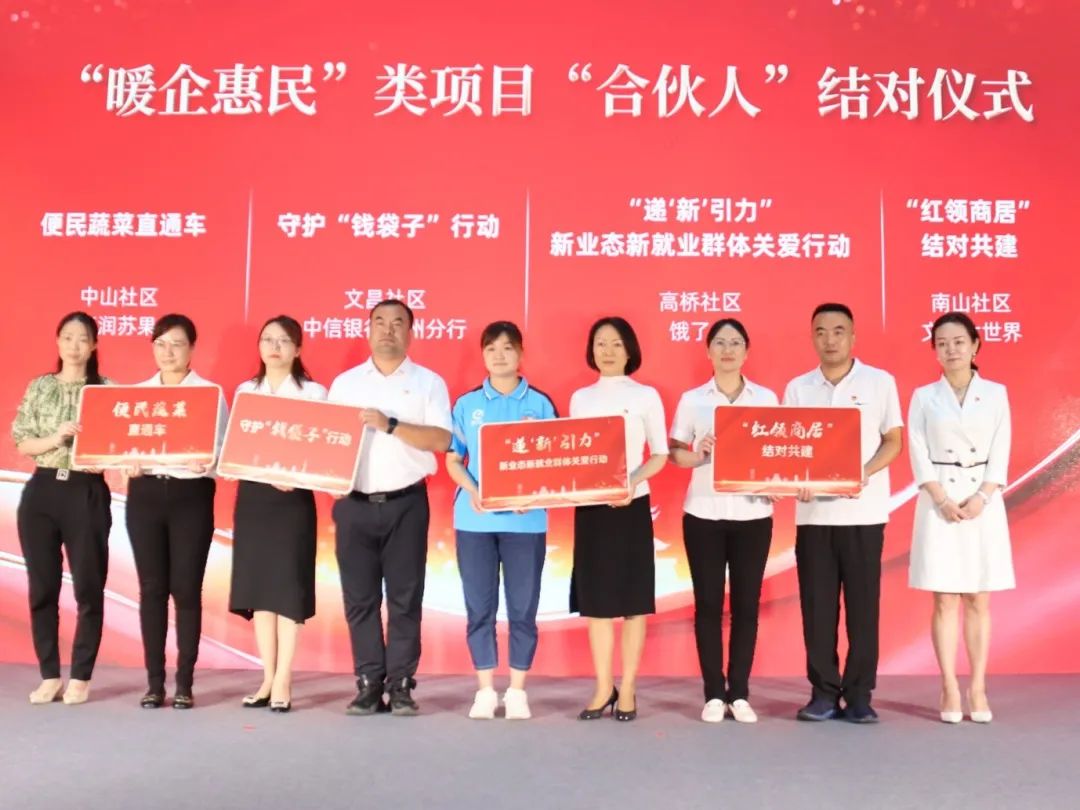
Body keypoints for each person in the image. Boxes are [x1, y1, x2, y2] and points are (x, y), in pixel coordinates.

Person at [328, 299, 452, 716]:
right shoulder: (345, 384)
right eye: (379, 322)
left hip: (406, 503)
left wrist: (391, 425)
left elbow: (441, 440)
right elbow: (327, 440)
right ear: (367, 330)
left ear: (410, 333)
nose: (387, 330)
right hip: (353, 503)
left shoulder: (428, 382)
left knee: (405, 599)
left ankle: (400, 684)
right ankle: (368, 683)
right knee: (359, 599)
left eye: (398, 323)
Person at [782, 303, 903, 724]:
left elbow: (893, 440)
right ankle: (823, 693)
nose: (829, 339)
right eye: (821, 332)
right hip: (813, 515)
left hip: (863, 514)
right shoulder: (798, 388)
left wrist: (862, 472)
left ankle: (860, 694)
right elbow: (788, 448)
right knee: (817, 609)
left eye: (838, 331)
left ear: (853, 336)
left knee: (863, 609)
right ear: (812, 337)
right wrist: (792, 478)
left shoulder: (879, 382)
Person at [445, 321, 558, 720]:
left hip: (526, 523)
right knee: (479, 607)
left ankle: (517, 691)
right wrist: (473, 490)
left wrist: (535, 493)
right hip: (475, 520)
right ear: (482, 355)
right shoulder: (467, 404)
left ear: (521, 354)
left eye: (507, 348)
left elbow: (555, 462)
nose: (499, 355)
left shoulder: (540, 404)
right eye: (491, 348)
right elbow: (453, 460)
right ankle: (485, 690)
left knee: (523, 609)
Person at [907, 312, 1014, 724]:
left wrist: (983, 496)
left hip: (982, 501)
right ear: (934, 350)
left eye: (958, 342)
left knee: (978, 597)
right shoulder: (923, 396)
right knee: (944, 598)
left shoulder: (997, 394)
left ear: (975, 345)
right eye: (942, 343)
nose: (950, 350)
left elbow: (1001, 449)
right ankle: (949, 685)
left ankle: (978, 686)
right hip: (940, 501)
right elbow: (918, 451)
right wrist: (940, 498)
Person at [669, 318, 776, 724]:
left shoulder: (766, 399)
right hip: (704, 514)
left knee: (747, 606)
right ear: (708, 351)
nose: (727, 350)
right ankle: (714, 693)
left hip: (753, 514)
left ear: (746, 352)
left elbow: (777, 450)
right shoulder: (693, 400)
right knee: (708, 606)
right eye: (719, 343)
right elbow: (675, 453)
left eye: (735, 343)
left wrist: (777, 481)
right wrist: (699, 453)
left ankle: (740, 693)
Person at [125, 313, 229, 709]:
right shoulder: (137, 396)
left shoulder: (209, 394)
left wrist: (208, 463)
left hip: (191, 495)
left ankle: (184, 682)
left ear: (192, 349)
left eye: (177, 344)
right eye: (161, 344)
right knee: (152, 588)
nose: (168, 352)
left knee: (186, 589)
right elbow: (121, 448)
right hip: (146, 494)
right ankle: (154, 683)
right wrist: (126, 462)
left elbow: (224, 452)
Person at [569, 316, 668, 722]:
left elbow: (659, 454)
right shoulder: (580, 398)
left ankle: (627, 687)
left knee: (632, 603)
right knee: (596, 604)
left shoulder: (646, 395)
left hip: (631, 506)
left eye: (615, 344)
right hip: (591, 508)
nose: (607, 351)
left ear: (629, 350)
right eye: (600, 343)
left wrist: (631, 482)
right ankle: (602, 686)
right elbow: (575, 455)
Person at [228, 315, 327, 714]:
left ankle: (285, 677)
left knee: (287, 590)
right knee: (260, 591)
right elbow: (236, 445)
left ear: (298, 349)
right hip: (254, 498)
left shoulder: (314, 393)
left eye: (284, 340)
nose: (274, 347)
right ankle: (267, 677)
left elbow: (324, 446)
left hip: (292, 500)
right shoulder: (246, 391)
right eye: (267, 339)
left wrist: (296, 475)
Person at [12, 312, 112, 705]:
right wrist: (55, 438)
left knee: (88, 585)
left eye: (82, 338)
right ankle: (50, 674)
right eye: (67, 337)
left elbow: (119, 447)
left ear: (94, 345)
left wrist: (102, 459)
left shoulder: (106, 390)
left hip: (86, 492)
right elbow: (23, 441)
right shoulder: (40, 386)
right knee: (43, 587)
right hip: (42, 492)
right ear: (57, 342)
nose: (74, 345)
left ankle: (81, 676)